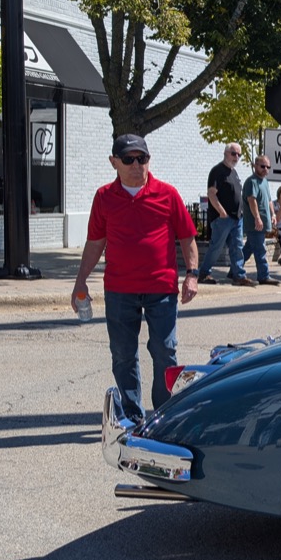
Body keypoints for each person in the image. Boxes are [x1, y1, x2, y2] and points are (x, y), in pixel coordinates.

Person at [73, 135, 199, 422]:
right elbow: (95, 243)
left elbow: (187, 238)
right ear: (113, 162)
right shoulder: (104, 197)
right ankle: (133, 415)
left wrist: (191, 275)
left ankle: (164, 414)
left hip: (162, 289)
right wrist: (81, 281)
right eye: (128, 159)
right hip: (120, 290)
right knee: (123, 355)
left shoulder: (167, 194)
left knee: (165, 350)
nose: (136, 165)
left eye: (142, 158)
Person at [198, 142, 255, 286]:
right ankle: (204, 273)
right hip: (223, 219)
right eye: (233, 153)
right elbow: (212, 194)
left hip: (237, 218)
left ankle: (239, 275)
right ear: (225, 153)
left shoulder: (234, 172)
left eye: (239, 155)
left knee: (237, 247)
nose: (236, 157)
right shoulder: (217, 171)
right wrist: (222, 212)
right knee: (216, 247)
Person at [240, 153, 281, 286]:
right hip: (254, 224)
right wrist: (257, 218)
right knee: (260, 250)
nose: (266, 169)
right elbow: (252, 201)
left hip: (263, 223)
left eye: (268, 167)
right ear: (255, 166)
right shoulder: (252, 182)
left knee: (249, 249)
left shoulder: (265, 181)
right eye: (263, 166)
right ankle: (264, 276)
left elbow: (269, 200)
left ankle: (234, 270)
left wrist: (273, 214)